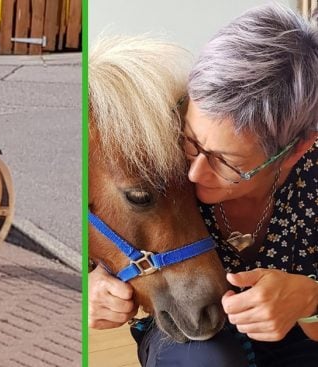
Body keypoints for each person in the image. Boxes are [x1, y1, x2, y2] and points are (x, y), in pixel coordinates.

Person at [89, 4, 318, 366]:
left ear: (295, 151)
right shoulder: (152, 133)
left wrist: (310, 302)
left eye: (226, 162)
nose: (193, 173)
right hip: (191, 342)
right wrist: (95, 285)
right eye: (191, 141)